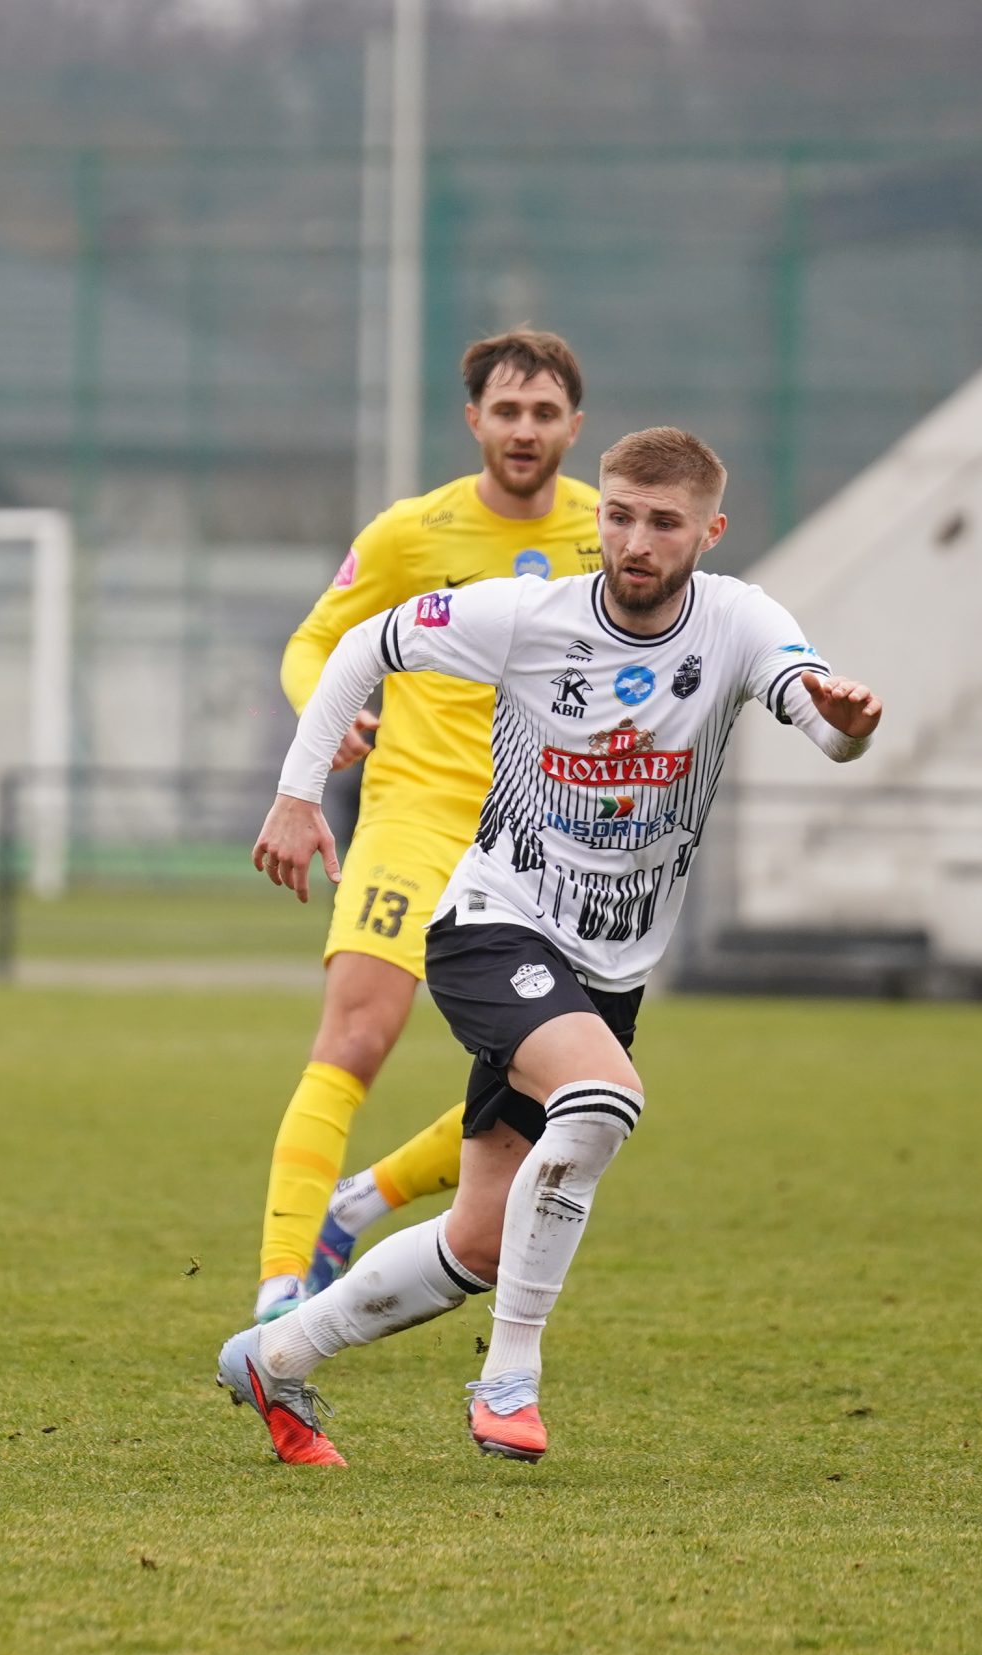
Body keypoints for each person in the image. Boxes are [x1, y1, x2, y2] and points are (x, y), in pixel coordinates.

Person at [222, 426, 884, 1466]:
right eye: (618, 515)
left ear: (709, 532)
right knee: (604, 1096)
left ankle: (276, 1355)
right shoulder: (530, 615)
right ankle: (509, 1377)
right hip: (493, 925)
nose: (635, 541)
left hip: (607, 969)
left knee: (481, 1241)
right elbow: (364, 646)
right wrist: (299, 794)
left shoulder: (740, 621)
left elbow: (825, 720)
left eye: (663, 523)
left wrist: (848, 724)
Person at [251, 328, 604, 1327]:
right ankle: (279, 1288)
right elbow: (315, 640)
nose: (524, 429)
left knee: (562, 1087)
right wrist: (326, 716)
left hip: (542, 843)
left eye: (544, 413)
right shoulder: (413, 532)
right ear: (474, 420)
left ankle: (357, 1205)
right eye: (507, 411)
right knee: (358, 1035)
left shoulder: (608, 530)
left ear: (574, 426)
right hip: (412, 813)